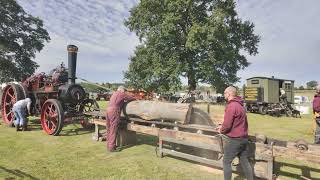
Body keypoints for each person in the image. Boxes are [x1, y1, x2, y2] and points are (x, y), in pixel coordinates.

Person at [217, 86, 253, 180]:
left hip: (236, 140)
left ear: (229, 94)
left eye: (225, 93)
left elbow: (228, 125)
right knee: (244, 160)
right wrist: (222, 125)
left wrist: (221, 129)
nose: (224, 95)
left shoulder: (232, 106)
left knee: (226, 161)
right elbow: (238, 122)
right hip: (244, 138)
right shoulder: (240, 105)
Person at [106, 86, 136, 152]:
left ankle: (109, 145)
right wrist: (136, 97)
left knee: (109, 128)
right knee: (113, 129)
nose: (125, 92)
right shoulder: (121, 93)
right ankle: (111, 147)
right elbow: (131, 98)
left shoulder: (115, 93)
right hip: (114, 111)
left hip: (108, 110)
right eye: (125, 91)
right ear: (122, 90)